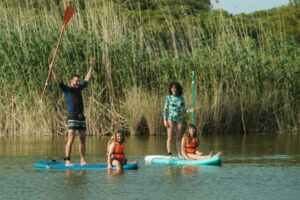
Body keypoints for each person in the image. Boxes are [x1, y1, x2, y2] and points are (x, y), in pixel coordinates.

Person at [50, 58, 95, 166]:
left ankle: (83, 160)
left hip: (81, 117)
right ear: (71, 81)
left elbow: (87, 79)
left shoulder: (79, 88)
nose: (78, 83)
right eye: (76, 81)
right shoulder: (67, 89)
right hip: (72, 116)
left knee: (83, 139)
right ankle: (67, 161)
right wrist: (52, 70)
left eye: (78, 81)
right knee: (71, 138)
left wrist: (91, 66)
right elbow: (58, 81)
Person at [163, 82, 194, 159]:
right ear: (170, 89)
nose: (173, 89)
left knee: (178, 137)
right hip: (170, 119)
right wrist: (165, 120)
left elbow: (184, 110)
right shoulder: (168, 98)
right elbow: (165, 109)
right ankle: (169, 154)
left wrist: (190, 110)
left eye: (175, 88)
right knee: (170, 137)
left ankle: (179, 154)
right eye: (172, 88)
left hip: (179, 119)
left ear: (177, 89)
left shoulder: (181, 98)